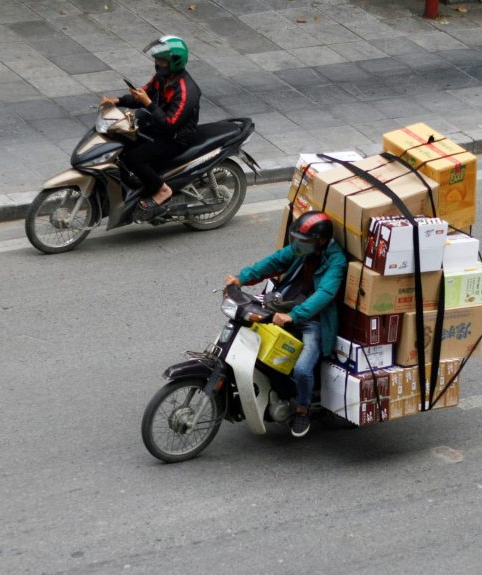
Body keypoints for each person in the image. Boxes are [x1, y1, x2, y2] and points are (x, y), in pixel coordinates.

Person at [225, 212, 348, 438]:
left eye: (303, 242)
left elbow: (325, 293)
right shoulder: (303, 248)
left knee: (302, 369)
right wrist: (241, 278)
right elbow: (274, 261)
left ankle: (302, 410)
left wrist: (294, 316)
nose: (297, 247)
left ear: (320, 241)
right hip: (284, 306)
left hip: (313, 320)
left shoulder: (336, 261)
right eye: (296, 241)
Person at [100, 35, 201, 220]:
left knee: (134, 158)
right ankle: (136, 182)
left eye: (161, 60)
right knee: (122, 142)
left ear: (174, 62)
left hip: (177, 137)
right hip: (159, 127)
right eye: (157, 59)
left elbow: (170, 123)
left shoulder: (186, 90)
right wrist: (117, 101)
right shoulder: (163, 77)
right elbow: (143, 94)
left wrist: (148, 104)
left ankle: (162, 190)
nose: (157, 63)